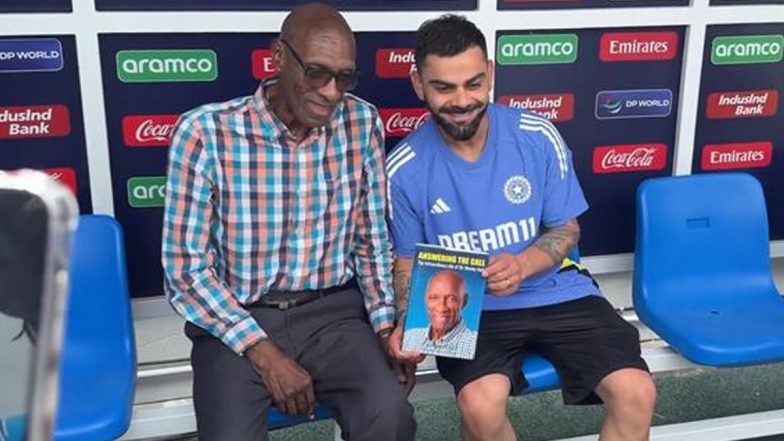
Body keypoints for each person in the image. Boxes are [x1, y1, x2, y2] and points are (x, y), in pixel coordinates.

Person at [386, 15, 656, 441]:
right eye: (444, 87)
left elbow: (567, 230)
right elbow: (406, 262)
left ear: (490, 74)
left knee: (637, 392)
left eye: (474, 83)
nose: (462, 100)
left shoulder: (537, 135)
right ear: (419, 83)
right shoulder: (403, 169)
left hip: (559, 290)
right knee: (480, 404)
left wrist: (524, 263)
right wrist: (405, 318)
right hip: (467, 306)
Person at [161, 4, 416, 440]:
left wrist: (385, 326)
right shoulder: (204, 133)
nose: (332, 92)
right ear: (278, 57)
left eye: (345, 77)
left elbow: (370, 242)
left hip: (334, 316)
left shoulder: (362, 122)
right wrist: (262, 351)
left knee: (390, 414)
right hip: (237, 320)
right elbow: (185, 272)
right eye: (317, 73)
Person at [403, 270, 477, 359]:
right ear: (425, 299)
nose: (441, 308)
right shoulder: (410, 336)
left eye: (451, 299)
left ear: (464, 302)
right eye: (434, 298)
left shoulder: (473, 343)